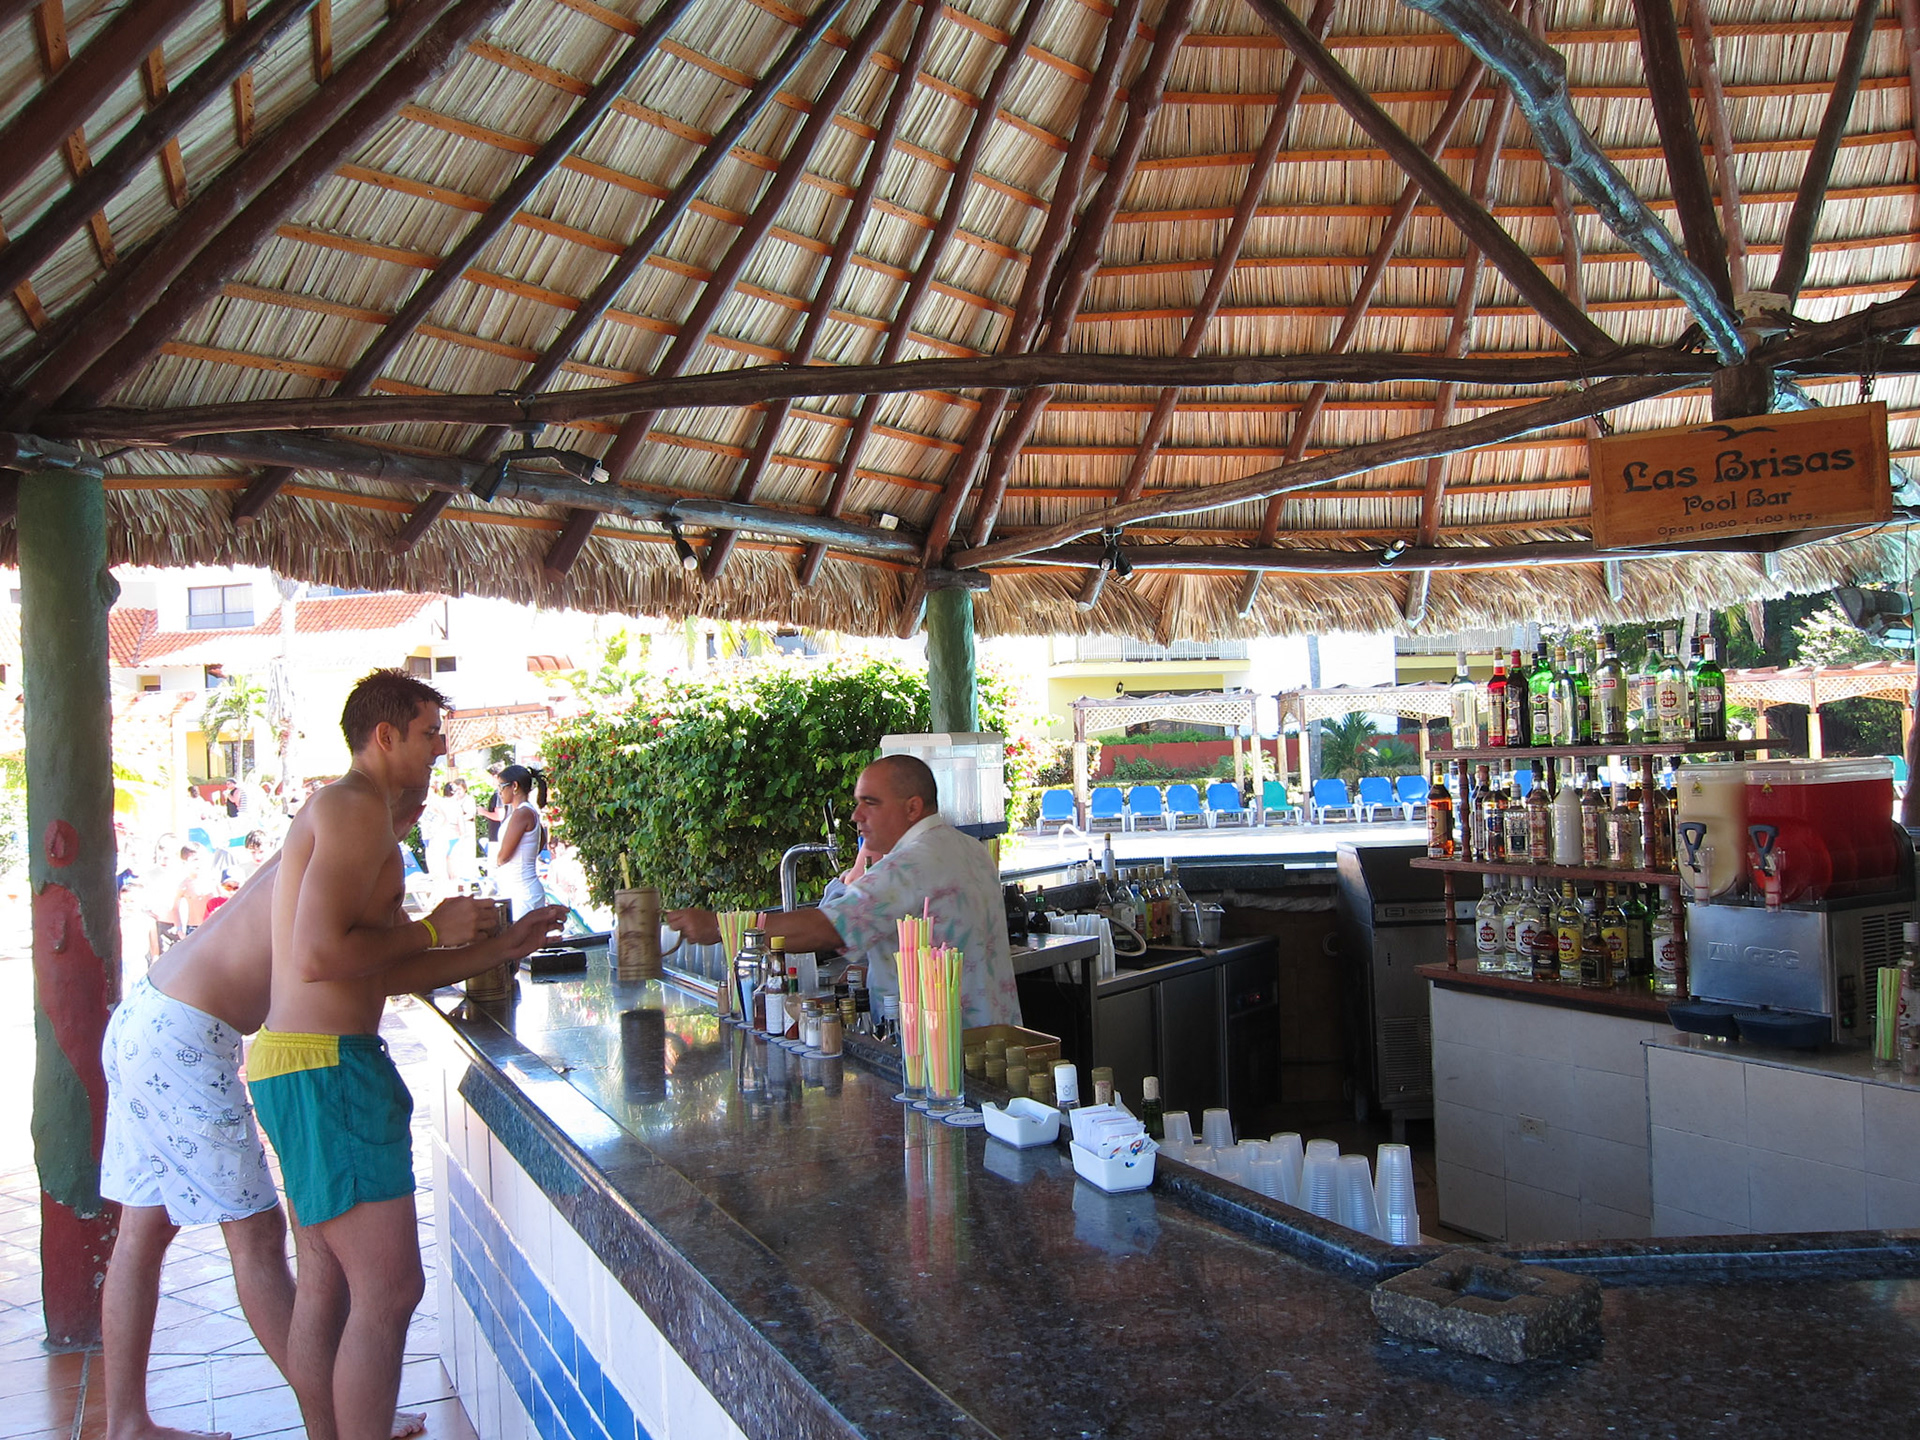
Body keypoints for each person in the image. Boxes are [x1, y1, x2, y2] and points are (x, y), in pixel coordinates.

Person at [98, 786, 536, 1440]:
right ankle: (336, 1417)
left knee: (144, 1229)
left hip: (148, 1019)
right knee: (255, 1238)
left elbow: (371, 964)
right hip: (186, 1039)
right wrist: (445, 933)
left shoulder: (312, 852)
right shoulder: (344, 861)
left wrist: (483, 949)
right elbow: (351, 967)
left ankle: (128, 1421)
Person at [252, 670, 567, 1440]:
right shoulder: (356, 806)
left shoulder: (348, 809)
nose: (440, 748)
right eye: (430, 732)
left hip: (300, 1061)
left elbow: (378, 970)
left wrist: (500, 943)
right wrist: (435, 927)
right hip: (327, 1067)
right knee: (390, 1291)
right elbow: (322, 953)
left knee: (328, 1285)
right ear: (385, 735)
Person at [667, 754, 1019, 1028]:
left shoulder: (910, 865)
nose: (856, 815)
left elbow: (829, 926)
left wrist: (720, 927)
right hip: (998, 1038)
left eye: (871, 802)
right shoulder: (969, 847)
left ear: (912, 807)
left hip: (940, 1050)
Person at [489, 764, 548, 920]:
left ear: (514, 786)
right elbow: (540, 843)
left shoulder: (522, 813)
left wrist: (497, 861)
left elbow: (503, 857)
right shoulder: (528, 811)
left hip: (522, 893)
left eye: (501, 787)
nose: (499, 793)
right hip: (522, 889)